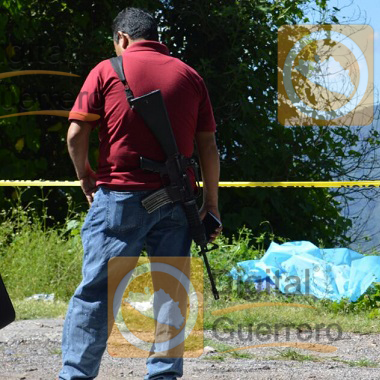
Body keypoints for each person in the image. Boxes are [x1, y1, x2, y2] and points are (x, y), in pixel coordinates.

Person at [61, 7, 221, 380]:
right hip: (177, 200)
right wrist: (210, 205)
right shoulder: (190, 76)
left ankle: (76, 376)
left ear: (122, 38)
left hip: (119, 199)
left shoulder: (107, 70)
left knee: (97, 293)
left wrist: (86, 178)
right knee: (171, 292)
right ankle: (163, 375)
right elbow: (209, 147)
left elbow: (75, 135)